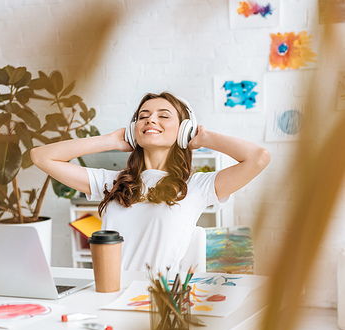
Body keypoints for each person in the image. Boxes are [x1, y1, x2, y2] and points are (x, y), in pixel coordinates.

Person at [30, 92, 270, 272]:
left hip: (155, 303)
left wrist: (204, 137)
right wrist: (110, 140)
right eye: (143, 117)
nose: (150, 120)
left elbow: (259, 158)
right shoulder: (113, 182)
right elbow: (41, 157)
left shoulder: (196, 187)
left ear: (184, 130)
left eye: (163, 116)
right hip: (107, 293)